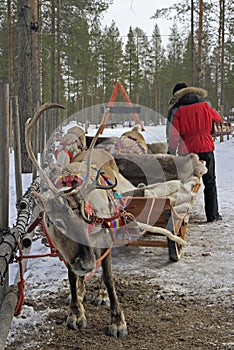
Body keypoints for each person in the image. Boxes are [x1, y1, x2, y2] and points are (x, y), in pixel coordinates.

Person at [167, 83, 222, 222]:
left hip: (188, 151)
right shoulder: (205, 104)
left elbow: (173, 134)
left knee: (186, 184)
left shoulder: (177, 109)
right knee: (210, 181)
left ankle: (182, 216)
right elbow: (218, 120)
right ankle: (213, 215)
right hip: (206, 147)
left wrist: (171, 151)